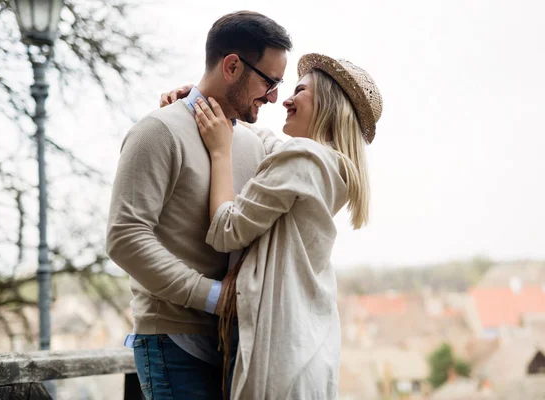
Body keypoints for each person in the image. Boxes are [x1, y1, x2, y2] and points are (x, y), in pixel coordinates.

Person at [170, 53, 383, 398]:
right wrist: (205, 105)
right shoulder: (334, 169)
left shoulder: (301, 161)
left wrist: (221, 153)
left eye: (299, 90)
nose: (285, 98)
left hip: (278, 359)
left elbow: (227, 230)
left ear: (328, 103)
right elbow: (269, 143)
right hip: (308, 349)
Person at [105, 11, 292, 400]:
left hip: (237, 347)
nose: (275, 96)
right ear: (232, 65)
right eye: (269, 81)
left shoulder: (254, 142)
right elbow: (125, 237)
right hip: (174, 343)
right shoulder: (158, 132)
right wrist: (215, 298)